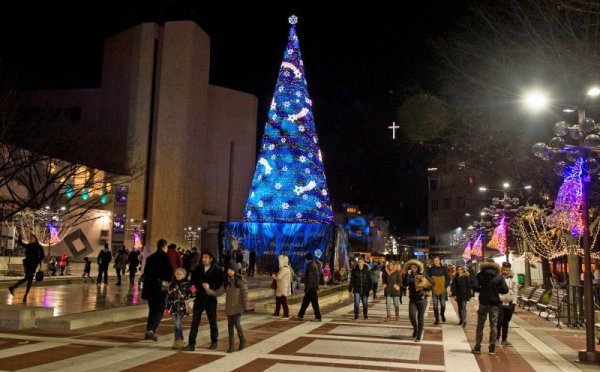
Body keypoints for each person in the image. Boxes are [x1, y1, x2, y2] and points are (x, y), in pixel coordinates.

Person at [184, 249, 224, 351]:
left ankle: (214, 341)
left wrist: (210, 286)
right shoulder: (197, 269)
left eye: (206, 258)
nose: (203, 259)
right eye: (203, 257)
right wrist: (192, 292)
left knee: (212, 321)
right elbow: (192, 283)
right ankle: (191, 343)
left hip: (210, 299)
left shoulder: (217, 270)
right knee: (195, 321)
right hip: (199, 298)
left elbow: (220, 284)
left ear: (211, 259)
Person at [204, 262, 249, 352]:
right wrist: (208, 289)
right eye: (228, 269)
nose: (229, 271)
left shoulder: (240, 281)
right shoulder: (226, 282)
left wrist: (246, 305)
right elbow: (218, 292)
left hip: (238, 307)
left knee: (237, 324)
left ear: (235, 271)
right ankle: (231, 346)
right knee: (230, 327)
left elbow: (245, 294)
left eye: (231, 270)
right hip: (229, 308)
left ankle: (242, 340)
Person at [472, 260, 509, 355]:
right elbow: (505, 289)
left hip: (483, 303)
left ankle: (477, 347)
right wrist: (496, 290)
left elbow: (475, 287)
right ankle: (492, 348)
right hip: (494, 304)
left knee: (480, 325)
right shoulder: (499, 276)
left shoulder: (480, 275)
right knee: (493, 326)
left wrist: (482, 289)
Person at [141, 239, 174, 341]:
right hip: (160, 288)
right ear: (165, 247)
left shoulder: (151, 258)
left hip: (149, 287)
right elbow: (170, 273)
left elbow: (146, 272)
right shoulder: (165, 257)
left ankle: (149, 331)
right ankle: (151, 330)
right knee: (160, 309)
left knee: (152, 309)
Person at [8, 234, 45, 303]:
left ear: (35, 239)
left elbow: (43, 255)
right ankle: (14, 288)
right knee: (29, 277)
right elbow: (21, 243)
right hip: (28, 263)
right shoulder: (31, 246)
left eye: (32, 238)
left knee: (29, 279)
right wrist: (20, 236)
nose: (31, 239)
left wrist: (38, 261)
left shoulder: (38, 247)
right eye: (31, 238)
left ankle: (24, 295)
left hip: (33, 264)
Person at [166, 267, 194, 349]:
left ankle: (179, 339)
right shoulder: (172, 284)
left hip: (182, 306)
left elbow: (192, 293)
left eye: (180, 274)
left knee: (178, 323)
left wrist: (190, 294)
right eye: (177, 274)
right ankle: (177, 341)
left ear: (184, 275)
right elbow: (169, 297)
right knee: (176, 324)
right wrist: (167, 308)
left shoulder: (187, 283)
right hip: (174, 306)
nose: (178, 275)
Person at [403, 259, 430, 342]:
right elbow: (405, 284)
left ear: (417, 267)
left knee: (420, 317)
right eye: (411, 267)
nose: (413, 269)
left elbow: (431, 285)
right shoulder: (408, 275)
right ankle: (415, 328)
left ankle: (418, 335)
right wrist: (407, 275)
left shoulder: (423, 274)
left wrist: (424, 286)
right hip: (413, 299)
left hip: (422, 299)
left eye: (415, 267)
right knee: (412, 316)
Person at [296, 252, 322, 321]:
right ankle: (300, 315)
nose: (305, 260)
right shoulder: (312, 265)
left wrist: (307, 289)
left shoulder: (312, 266)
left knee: (314, 303)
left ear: (307, 259)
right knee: (305, 302)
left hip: (312, 288)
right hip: (311, 287)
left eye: (306, 259)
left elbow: (310, 278)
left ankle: (318, 317)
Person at [497, 262, 518, 346]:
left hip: (509, 302)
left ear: (510, 270)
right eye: (504, 270)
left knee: (506, 321)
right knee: (499, 321)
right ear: (501, 269)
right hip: (500, 302)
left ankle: (504, 339)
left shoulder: (513, 278)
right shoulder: (498, 277)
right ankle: (496, 338)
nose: (505, 271)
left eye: (507, 270)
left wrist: (514, 303)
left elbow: (516, 291)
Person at [426, 256, 450, 325]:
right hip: (434, 289)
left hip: (442, 289)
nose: (436, 261)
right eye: (434, 260)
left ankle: (442, 314)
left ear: (440, 261)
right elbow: (427, 277)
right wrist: (428, 268)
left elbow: (448, 278)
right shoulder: (431, 269)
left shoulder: (444, 268)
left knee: (443, 304)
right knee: (435, 305)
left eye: (437, 260)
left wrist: (445, 286)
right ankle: (437, 319)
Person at [272, 254, 292, 319]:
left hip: (282, 287)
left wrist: (274, 276)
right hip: (282, 287)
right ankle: (277, 312)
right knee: (278, 300)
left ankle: (286, 314)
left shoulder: (284, 269)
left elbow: (279, 277)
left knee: (283, 301)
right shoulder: (287, 269)